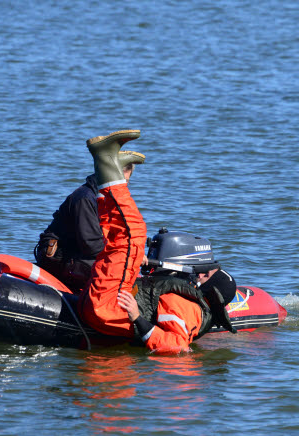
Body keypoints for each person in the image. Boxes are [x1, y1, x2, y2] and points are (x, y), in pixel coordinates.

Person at [79, 129, 237, 354]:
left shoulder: (191, 308)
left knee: (133, 233)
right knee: (118, 236)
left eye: (208, 275)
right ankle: (110, 169)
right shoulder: (185, 296)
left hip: (110, 308)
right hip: (107, 301)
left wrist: (136, 317)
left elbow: (177, 346)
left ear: (211, 290)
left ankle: (105, 160)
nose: (202, 272)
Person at [34, 150, 146, 291]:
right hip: (60, 258)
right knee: (113, 271)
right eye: (118, 181)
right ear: (106, 175)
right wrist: (125, 254)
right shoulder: (85, 198)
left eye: (125, 182)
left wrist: (135, 253)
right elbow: (91, 245)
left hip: (80, 253)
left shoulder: (109, 200)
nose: (122, 186)